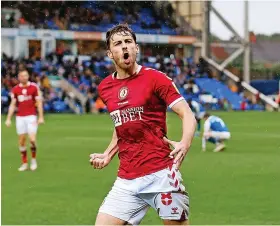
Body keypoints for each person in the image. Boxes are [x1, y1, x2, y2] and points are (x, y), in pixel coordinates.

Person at [89, 24, 197, 225]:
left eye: (128, 42)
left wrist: (185, 142)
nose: (124, 47)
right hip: (127, 179)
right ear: (110, 53)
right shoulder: (105, 87)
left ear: (136, 48)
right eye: (118, 44)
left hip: (161, 175)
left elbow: (187, 114)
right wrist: (108, 154)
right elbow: (122, 124)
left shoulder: (156, 79)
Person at [5, 70, 44, 171]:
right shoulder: (16, 89)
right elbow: (13, 104)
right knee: (22, 141)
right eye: (22, 76)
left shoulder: (34, 87)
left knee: (32, 139)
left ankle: (33, 160)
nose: (24, 77)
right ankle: (24, 163)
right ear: (19, 77)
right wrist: (8, 118)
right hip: (20, 117)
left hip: (31, 116)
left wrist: (41, 117)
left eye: (26, 75)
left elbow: (39, 102)